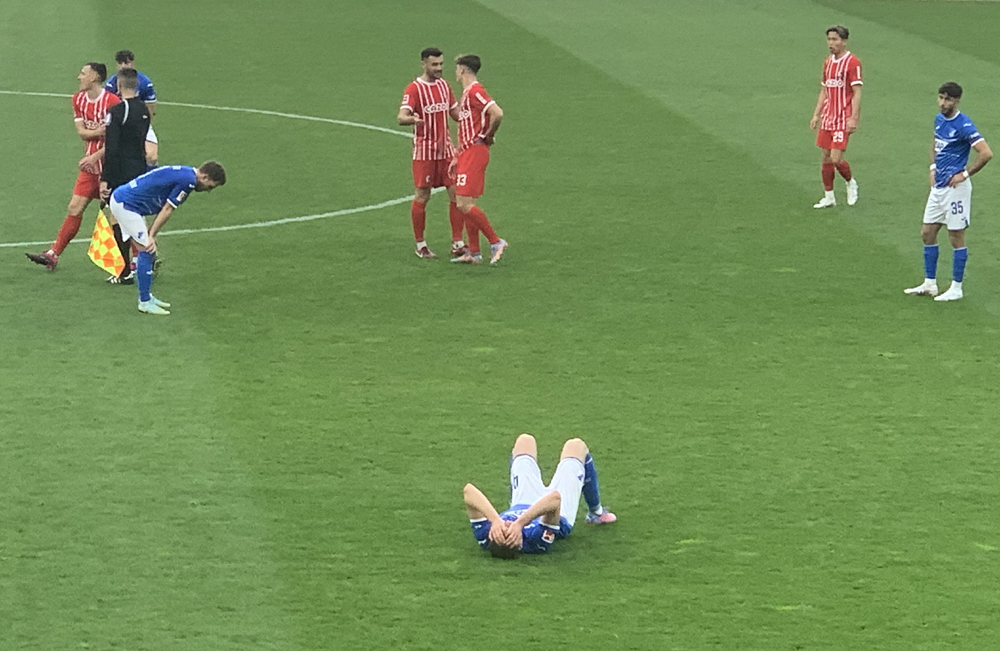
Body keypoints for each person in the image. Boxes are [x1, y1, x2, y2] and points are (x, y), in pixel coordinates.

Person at [26, 63, 120, 271]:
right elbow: (82, 133)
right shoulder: (78, 99)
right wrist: (101, 133)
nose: (79, 77)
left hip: (112, 167)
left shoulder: (113, 102)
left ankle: (146, 255)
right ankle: (53, 254)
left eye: (83, 74)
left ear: (94, 77)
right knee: (75, 207)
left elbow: (119, 139)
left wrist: (96, 152)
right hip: (90, 166)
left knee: (121, 215)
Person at [904, 83, 992, 302]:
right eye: (941, 98)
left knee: (955, 236)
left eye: (948, 100)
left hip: (956, 190)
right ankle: (930, 283)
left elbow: (986, 153)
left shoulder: (964, 125)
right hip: (939, 187)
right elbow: (935, 143)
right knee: (927, 233)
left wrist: (965, 174)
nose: (943, 103)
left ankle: (956, 287)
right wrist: (933, 168)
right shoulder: (939, 119)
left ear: (957, 101)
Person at [464, 433, 616, 559]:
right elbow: (555, 499)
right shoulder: (536, 541)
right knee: (576, 446)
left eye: (500, 532)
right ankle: (596, 513)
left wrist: (495, 520)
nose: (507, 526)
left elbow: (468, 491)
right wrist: (520, 524)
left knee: (524, 441)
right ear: (518, 542)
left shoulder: (485, 537)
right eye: (508, 534)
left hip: (522, 502)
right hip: (559, 512)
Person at [108, 162, 227, 315]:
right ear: (204, 176)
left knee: (148, 249)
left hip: (125, 201)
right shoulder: (188, 182)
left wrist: (151, 233)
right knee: (146, 249)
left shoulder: (186, 173)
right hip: (126, 205)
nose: (207, 191)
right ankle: (144, 302)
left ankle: (147, 297)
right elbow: (167, 209)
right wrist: (151, 235)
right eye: (210, 186)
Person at [397, 47, 467, 260]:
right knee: (422, 195)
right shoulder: (414, 89)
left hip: (445, 150)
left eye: (441, 64)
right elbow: (401, 116)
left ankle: (457, 243)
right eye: (434, 64)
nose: (439, 68)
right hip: (424, 152)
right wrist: (411, 119)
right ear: (424, 64)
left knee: (456, 193)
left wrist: (471, 117)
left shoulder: (444, 86)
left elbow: (455, 113)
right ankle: (421, 244)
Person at [450, 54, 508, 265]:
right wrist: (458, 155)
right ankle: (474, 253)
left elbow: (497, 113)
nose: (455, 72)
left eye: (456, 69)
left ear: (463, 70)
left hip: (475, 151)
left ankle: (495, 241)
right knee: (466, 202)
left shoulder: (475, 91)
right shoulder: (466, 94)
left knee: (463, 203)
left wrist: (488, 135)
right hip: (467, 152)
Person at [100, 68, 151, 284]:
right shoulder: (144, 110)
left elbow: (112, 148)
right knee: (134, 215)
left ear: (119, 85)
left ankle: (123, 271)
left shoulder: (118, 111)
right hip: (139, 169)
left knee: (117, 217)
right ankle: (142, 263)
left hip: (121, 171)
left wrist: (105, 179)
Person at [810, 26, 862, 209]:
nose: (831, 43)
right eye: (829, 39)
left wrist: (853, 117)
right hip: (828, 117)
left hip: (842, 117)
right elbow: (824, 90)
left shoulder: (852, 62)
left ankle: (850, 182)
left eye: (835, 39)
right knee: (824, 156)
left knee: (835, 158)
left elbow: (857, 92)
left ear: (844, 41)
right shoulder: (827, 62)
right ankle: (829, 197)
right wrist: (817, 114)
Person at [105, 49, 159, 168]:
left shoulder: (145, 82)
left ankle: (149, 179)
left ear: (133, 63)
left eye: (127, 62)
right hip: (119, 124)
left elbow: (150, 109)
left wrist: (142, 128)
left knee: (152, 156)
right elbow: (107, 109)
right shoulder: (110, 84)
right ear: (117, 65)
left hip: (139, 121)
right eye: (121, 63)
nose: (124, 66)